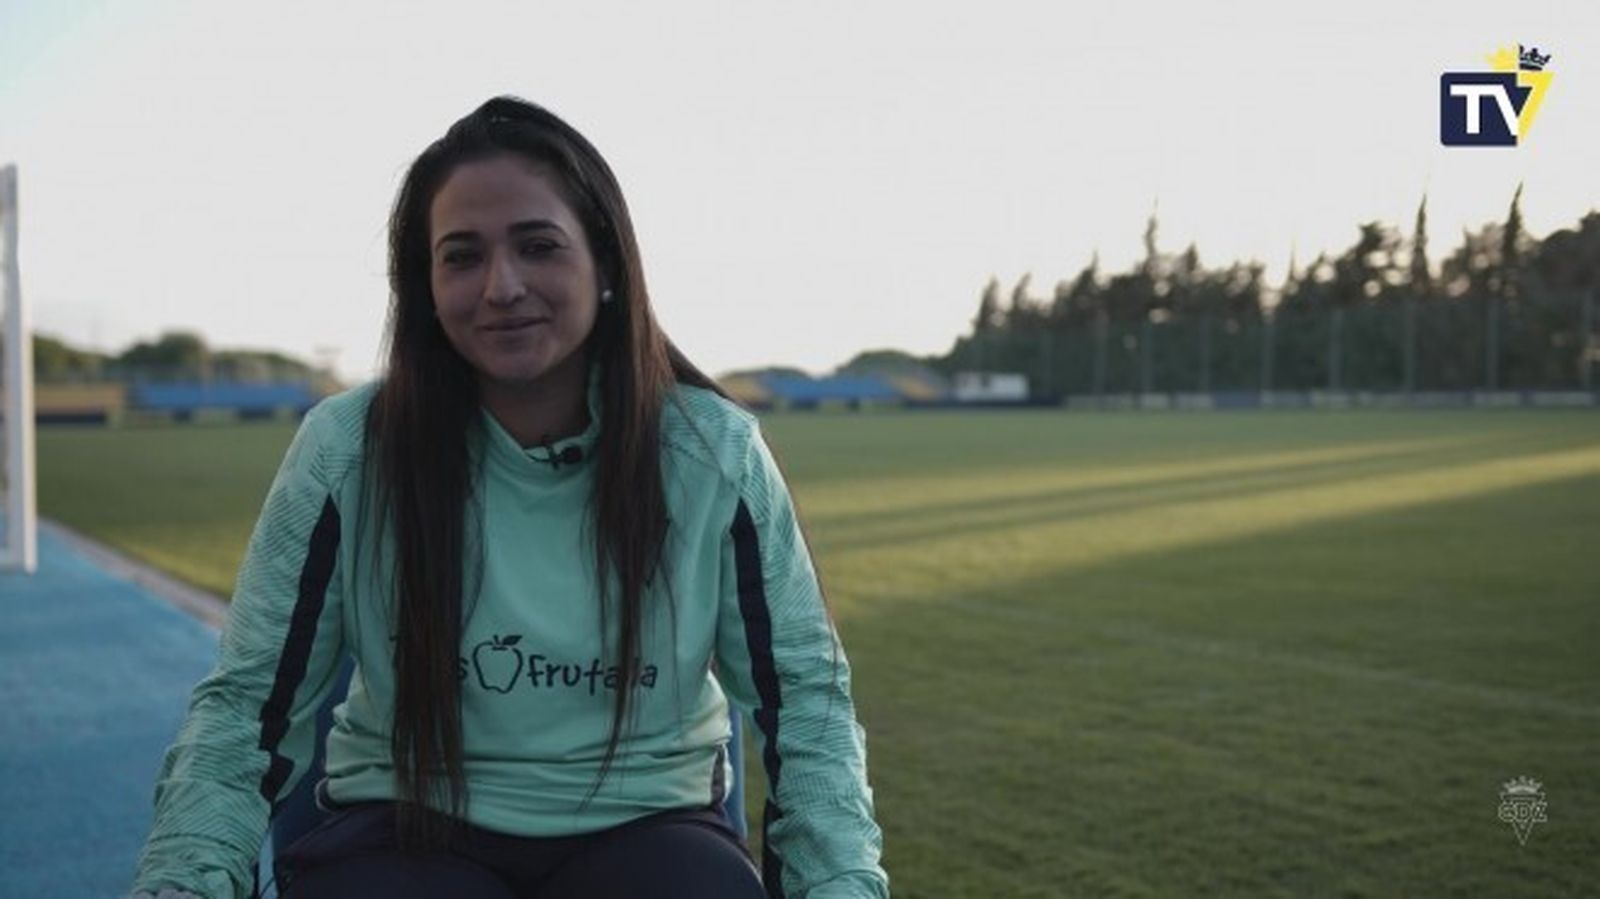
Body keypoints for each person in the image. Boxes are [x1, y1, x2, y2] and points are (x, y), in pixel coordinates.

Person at [130, 96, 888, 899]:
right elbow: (247, 706)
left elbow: (807, 705)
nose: (502, 285)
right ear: (425, 286)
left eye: (538, 246)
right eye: (461, 256)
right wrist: (184, 881)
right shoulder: (348, 448)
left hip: (649, 828)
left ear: (606, 264)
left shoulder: (713, 451)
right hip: (404, 826)